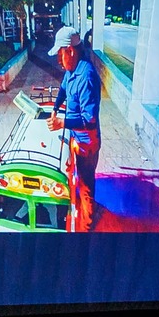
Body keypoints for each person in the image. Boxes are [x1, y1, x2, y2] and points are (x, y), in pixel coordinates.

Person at [45, 25, 100, 232]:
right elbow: (63, 89)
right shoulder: (72, 70)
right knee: (80, 178)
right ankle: (86, 209)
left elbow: (89, 120)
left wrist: (62, 123)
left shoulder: (86, 76)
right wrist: (55, 108)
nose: (58, 61)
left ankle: (87, 226)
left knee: (86, 186)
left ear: (70, 50)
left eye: (60, 54)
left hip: (87, 143)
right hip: (77, 137)